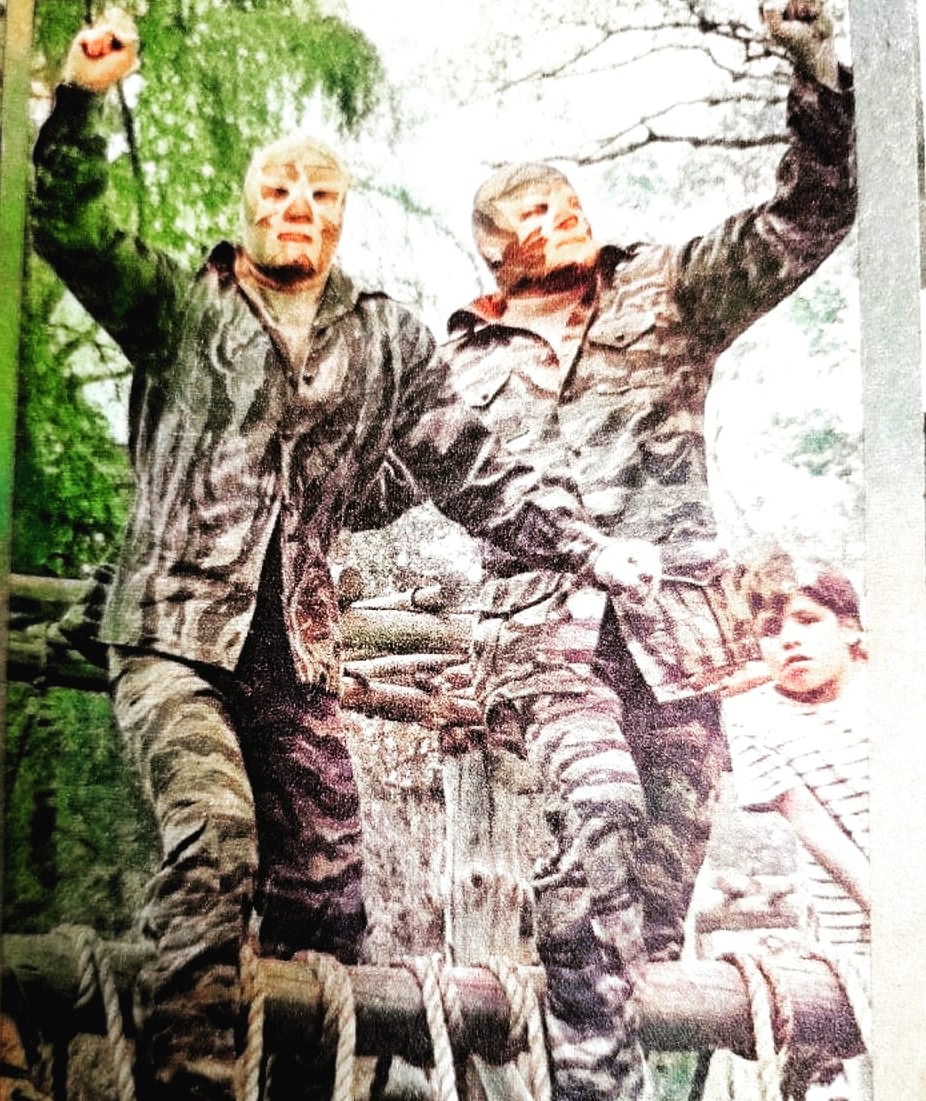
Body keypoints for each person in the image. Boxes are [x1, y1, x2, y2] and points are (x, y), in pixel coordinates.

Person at [31, 12, 661, 1101]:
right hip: (175, 637)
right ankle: (189, 1086)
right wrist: (83, 102)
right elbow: (71, 224)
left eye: (320, 194)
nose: (298, 208)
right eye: (278, 191)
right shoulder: (180, 309)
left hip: (295, 655)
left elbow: (473, 470)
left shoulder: (385, 341)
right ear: (247, 211)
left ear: (340, 215)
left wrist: (589, 550)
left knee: (326, 898)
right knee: (216, 840)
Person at [353, 2, 855, 1098]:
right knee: (598, 806)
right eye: (536, 210)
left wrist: (816, 74)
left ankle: (605, 1074)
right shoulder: (456, 368)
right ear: (494, 251)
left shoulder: (667, 292)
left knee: (650, 919)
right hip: (542, 645)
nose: (565, 215)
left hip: (680, 648)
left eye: (570, 200)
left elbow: (810, 217)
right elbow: (365, 488)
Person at [721, 553, 869, 1099]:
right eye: (771, 629)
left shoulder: (893, 688)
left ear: (849, 627)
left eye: (809, 620)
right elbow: (813, 827)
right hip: (861, 929)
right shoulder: (753, 716)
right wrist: (900, 918)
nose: (789, 639)